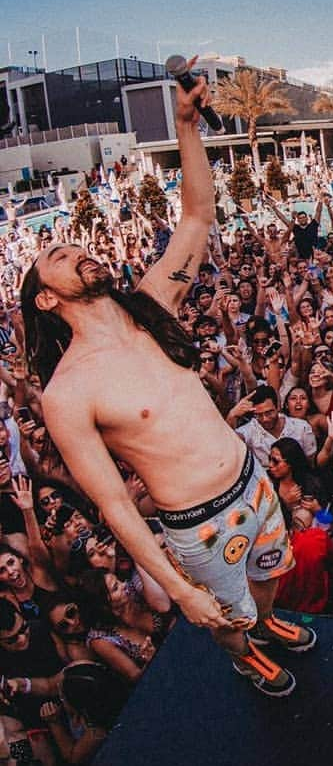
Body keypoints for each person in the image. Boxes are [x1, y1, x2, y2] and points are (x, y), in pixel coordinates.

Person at [21, 67, 313, 698]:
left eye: (76, 247)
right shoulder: (67, 393)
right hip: (198, 523)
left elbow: (198, 215)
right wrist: (177, 588)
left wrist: (185, 127)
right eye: (60, 258)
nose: (77, 252)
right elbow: (116, 506)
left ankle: (265, 623)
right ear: (46, 301)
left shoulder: (152, 306)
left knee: (269, 579)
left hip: (250, 477)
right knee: (225, 619)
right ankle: (245, 654)